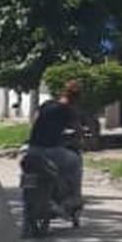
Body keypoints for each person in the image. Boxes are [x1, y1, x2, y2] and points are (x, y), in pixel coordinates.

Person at [27, 80, 84, 212]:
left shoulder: (46, 105)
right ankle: (75, 197)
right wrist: (81, 141)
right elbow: (78, 131)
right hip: (51, 151)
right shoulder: (69, 110)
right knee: (75, 161)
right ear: (76, 99)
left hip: (32, 149)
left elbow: (34, 122)